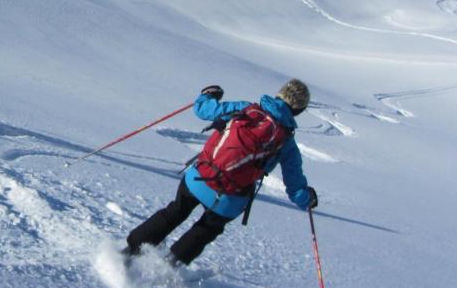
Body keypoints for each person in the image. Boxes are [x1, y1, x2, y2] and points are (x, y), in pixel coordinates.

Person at [123, 79, 317, 266]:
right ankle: (168, 269)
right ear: (298, 111)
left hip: (199, 177)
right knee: (207, 229)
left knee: (175, 211)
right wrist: (308, 198)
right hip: (230, 198)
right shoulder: (287, 144)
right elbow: (296, 189)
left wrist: (207, 95)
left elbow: (204, 110)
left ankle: (130, 251)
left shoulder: (246, 109)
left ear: (279, 95)